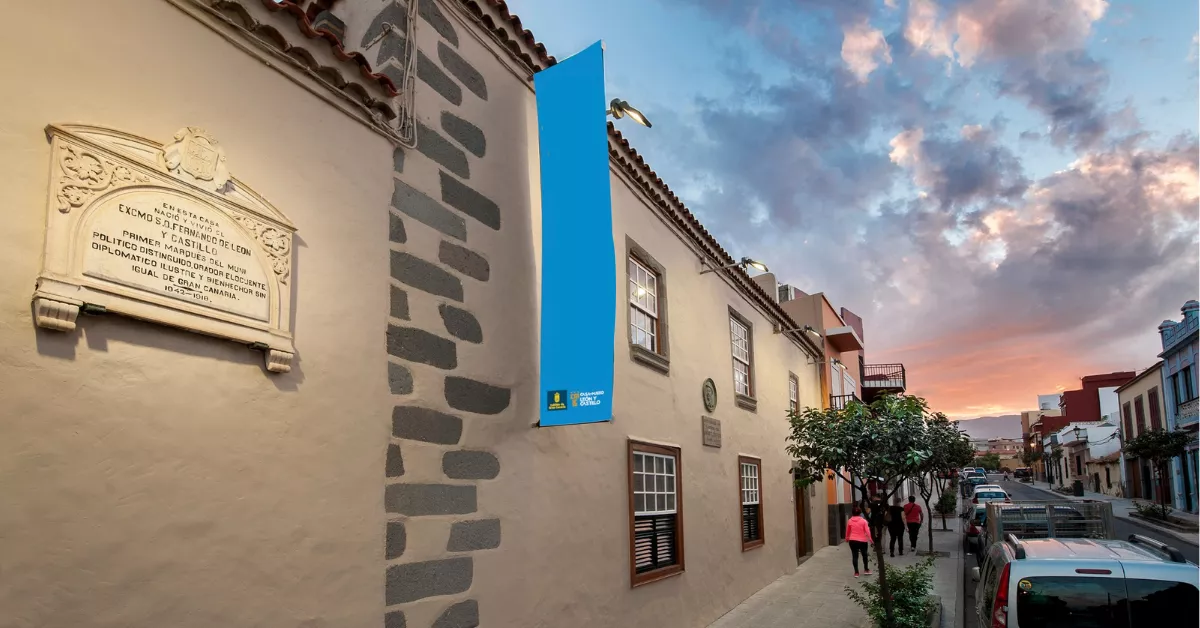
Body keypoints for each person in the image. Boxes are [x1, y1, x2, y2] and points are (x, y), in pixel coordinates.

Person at [845, 506, 873, 577]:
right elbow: (867, 531)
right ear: (860, 513)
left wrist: (847, 538)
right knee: (864, 555)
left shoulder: (850, 521)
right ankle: (866, 570)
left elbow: (848, 531)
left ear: (852, 513)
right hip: (862, 541)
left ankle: (856, 573)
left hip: (853, 540)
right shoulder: (864, 521)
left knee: (855, 556)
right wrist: (870, 539)